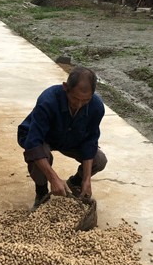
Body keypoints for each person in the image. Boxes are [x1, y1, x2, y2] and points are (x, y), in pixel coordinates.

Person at [17, 66, 107, 210]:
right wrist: (54, 178)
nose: (79, 104)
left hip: (71, 138)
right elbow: (33, 143)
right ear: (66, 87)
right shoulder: (48, 100)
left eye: (85, 100)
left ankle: (75, 182)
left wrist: (86, 179)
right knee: (40, 155)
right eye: (75, 98)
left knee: (99, 160)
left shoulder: (96, 107)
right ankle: (41, 193)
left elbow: (90, 141)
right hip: (42, 137)